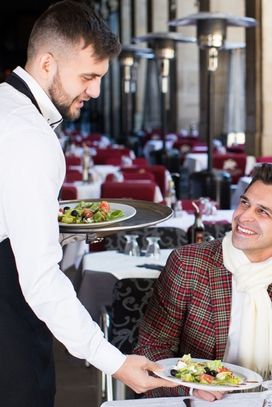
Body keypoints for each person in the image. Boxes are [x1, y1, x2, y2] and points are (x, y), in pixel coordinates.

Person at [0, 2, 176, 405]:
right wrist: (112, 360)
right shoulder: (29, 136)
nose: (95, 91)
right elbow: (41, 279)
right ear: (47, 63)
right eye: (88, 76)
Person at [135, 163, 272, 406]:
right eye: (245, 203)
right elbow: (152, 347)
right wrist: (189, 389)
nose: (244, 216)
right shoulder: (188, 263)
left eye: (263, 212)